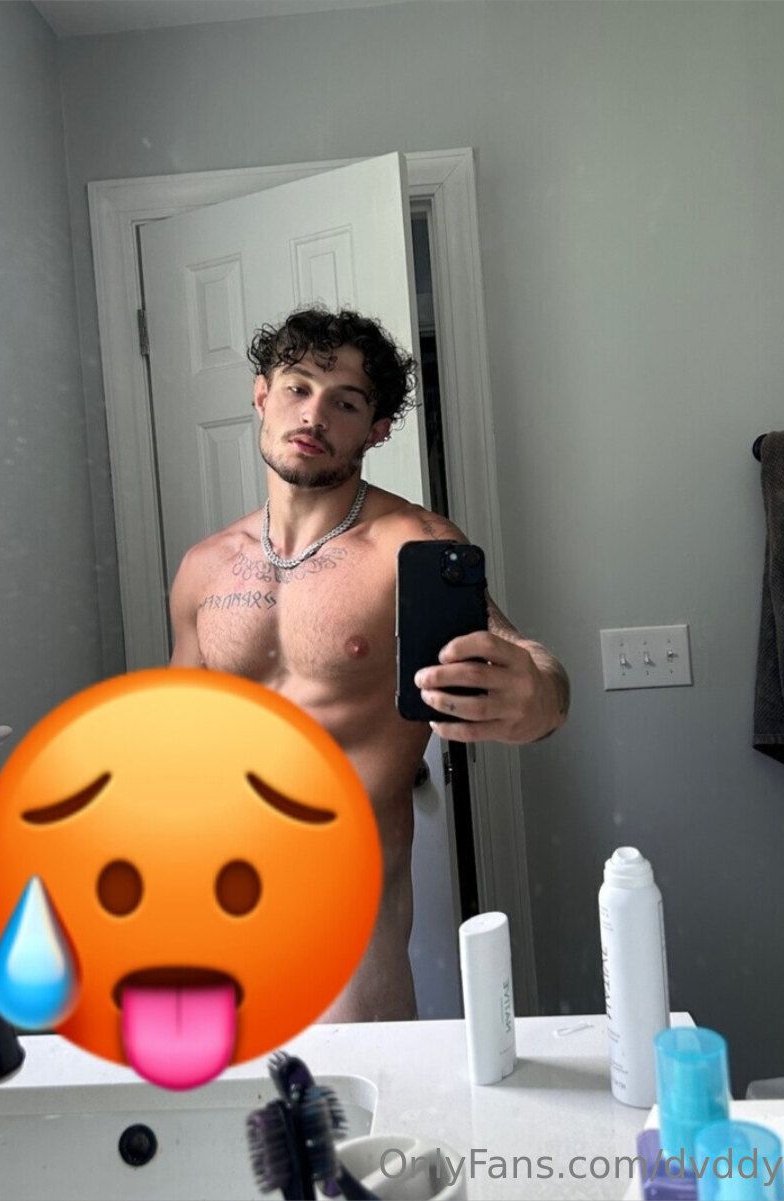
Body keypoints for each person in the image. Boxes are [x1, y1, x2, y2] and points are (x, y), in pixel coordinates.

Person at [169, 308, 569, 1022]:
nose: (314, 414)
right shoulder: (203, 567)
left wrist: (531, 695)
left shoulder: (411, 545)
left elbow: (536, 671)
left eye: (346, 402)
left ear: (377, 429)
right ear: (262, 396)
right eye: (297, 387)